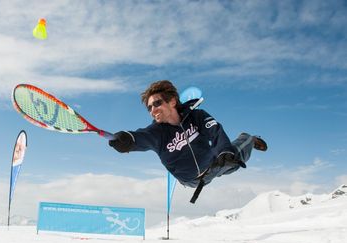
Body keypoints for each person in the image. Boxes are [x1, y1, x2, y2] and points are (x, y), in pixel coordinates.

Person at [109, 80, 267, 203]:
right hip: (192, 180)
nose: (153, 110)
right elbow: (140, 137)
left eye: (157, 103)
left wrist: (225, 151)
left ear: (172, 101)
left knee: (237, 157)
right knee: (229, 163)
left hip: (215, 163)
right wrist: (127, 140)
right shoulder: (156, 133)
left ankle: (249, 139)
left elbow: (215, 131)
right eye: (149, 108)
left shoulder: (197, 116)